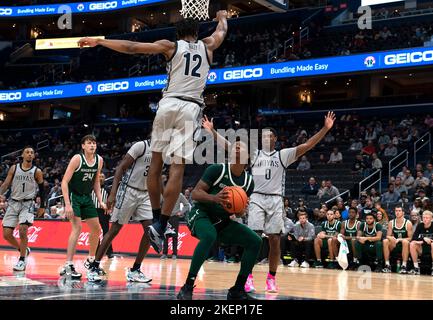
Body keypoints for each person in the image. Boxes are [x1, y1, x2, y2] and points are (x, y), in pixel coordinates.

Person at [79, 11, 228, 255]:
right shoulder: (208, 45)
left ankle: (157, 216)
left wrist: (101, 41)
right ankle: (161, 224)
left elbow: (132, 47)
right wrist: (222, 16)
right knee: (177, 168)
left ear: (178, 34)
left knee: (156, 162)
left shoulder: (171, 45)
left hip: (168, 104)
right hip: (191, 107)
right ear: (197, 33)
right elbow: (221, 31)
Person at [204, 112, 336, 292]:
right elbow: (230, 147)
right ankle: (247, 277)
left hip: (275, 200)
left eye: (269, 135)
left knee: (274, 240)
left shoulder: (283, 155)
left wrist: (325, 129)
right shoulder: (254, 154)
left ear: (275, 138)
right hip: (256, 197)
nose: (266, 137)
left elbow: (308, 145)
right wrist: (212, 132)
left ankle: (271, 278)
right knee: (253, 238)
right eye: (263, 135)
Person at [177, 141, 261, 300]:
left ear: (248, 156)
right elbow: (195, 194)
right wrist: (214, 198)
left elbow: (240, 213)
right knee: (209, 235)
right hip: (201, 214)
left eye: (241, 146)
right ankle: (187, 286)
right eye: (234, 145)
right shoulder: (217, 169)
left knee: (255, 241)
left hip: (222, 222)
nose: (237, 146)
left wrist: (241, 209)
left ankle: (237, 289)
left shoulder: (249, 182)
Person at [87, 140, 153, 283]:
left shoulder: (163, 151)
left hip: (145, 193)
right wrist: (113, 193)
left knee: (151, 231)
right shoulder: (141, 146)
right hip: (128, 190)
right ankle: (94, 266)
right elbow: (120, 168)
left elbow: (156, 176)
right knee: (114, 229)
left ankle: (135, 270)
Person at [60, 135, 106, 279]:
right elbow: (64, 182)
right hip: (74, 196)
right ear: (83, 146)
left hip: (87, 197)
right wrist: (67, 204)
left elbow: (96, 182)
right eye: (89, 143)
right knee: (77, 227)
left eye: (94, 143)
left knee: (97, 228)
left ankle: (91, 260)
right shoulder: (77, 159)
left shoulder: (99, 160)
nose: (92, 145)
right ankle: (68, 264)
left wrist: (100, 201)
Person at [0, 147, 45, 271]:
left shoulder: (37, 171)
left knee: (23, 230)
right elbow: (6, 184)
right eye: (27, 152)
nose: (30, 154)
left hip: (28, 203)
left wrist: (42, 206)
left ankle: (22, 260)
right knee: (6, 234)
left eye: (32, 153)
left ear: (34, 156)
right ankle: (23, 249)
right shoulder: (14, 168)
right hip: (13, 203)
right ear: (22, 155)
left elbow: (42, 189)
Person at [382, 205, 413, 274]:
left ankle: (404, 266)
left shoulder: (408, 223)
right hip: (394, 244)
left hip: (404, 245)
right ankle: (387, 265)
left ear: (403, 213)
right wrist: (391, 238)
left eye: (399, 211)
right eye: (396, 211)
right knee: (385, 241)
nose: (397, 212)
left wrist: (399, 239)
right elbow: (388, 235)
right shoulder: (391, 222)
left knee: (405, 241)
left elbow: (410, 238)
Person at [161, 192, 192, 259]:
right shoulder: (165, 193)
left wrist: (181, 212)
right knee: (165, 236)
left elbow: (187, 205)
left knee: (174, 236)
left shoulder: (179, 195)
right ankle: (164, 253)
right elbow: (160, 204)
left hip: (175, 217)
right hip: (165, 216)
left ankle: (174, 254)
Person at [91, 173, 113, 259]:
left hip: (104, 212)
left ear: (105, 179)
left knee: (106, 232)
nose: (101, 178)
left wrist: (109, 208)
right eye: (99, 176)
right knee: (95, 232)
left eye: (102, 177)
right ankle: (96, 251)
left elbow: (112, 199)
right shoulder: (91, 188)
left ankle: (109, 252)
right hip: (94, 212)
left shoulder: (107, 189)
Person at [409, 210, 433, 275]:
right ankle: (416, 268)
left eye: (427, 218)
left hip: (431, 249)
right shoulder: (420, 225)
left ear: (431, 219)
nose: (425, 219)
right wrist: (424, 239)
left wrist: (422, 241)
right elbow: (413, 238)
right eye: (424, 217)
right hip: (422, 248)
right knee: (412, 244)